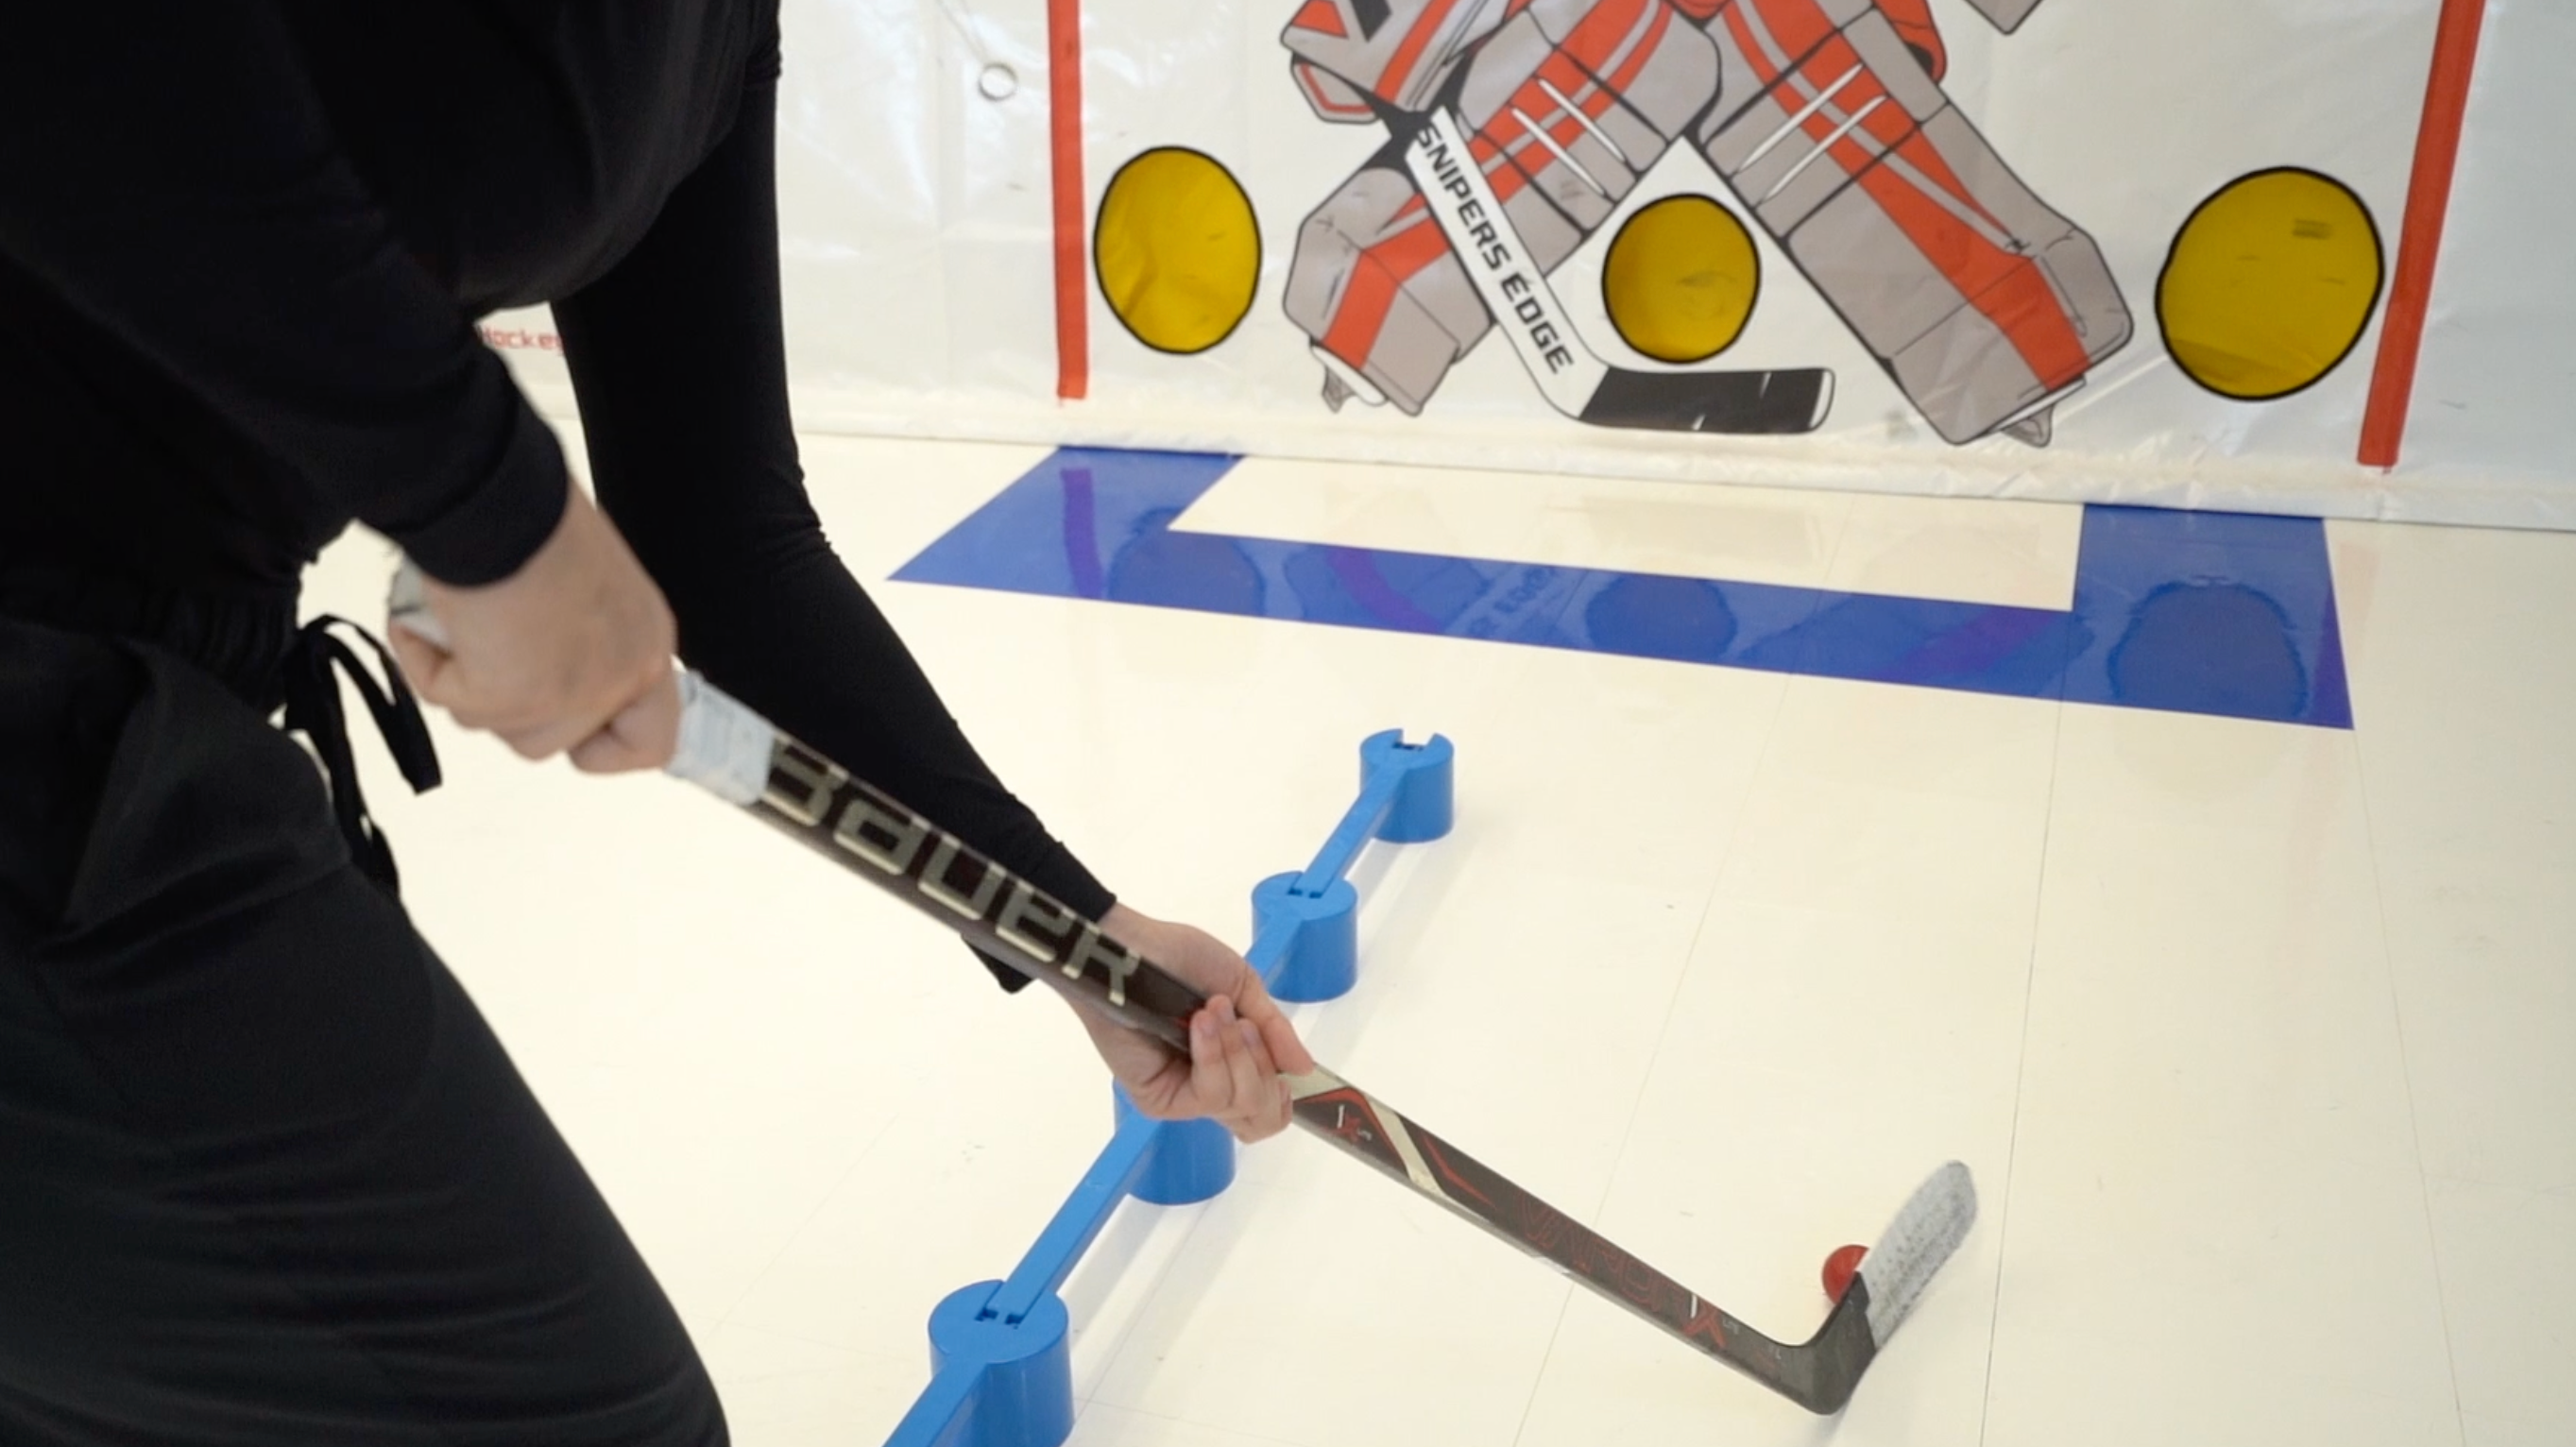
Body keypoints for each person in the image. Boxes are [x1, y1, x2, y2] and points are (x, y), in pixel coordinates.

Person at [0, 4, 1312, 1441]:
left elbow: (721, 543)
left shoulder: (708, 37)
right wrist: (492, 507)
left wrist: (1072, 932)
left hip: (135, 716)